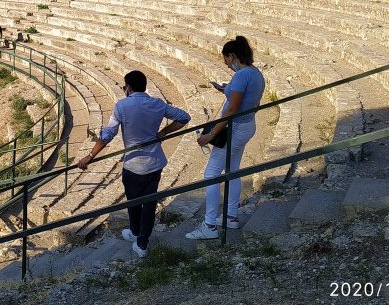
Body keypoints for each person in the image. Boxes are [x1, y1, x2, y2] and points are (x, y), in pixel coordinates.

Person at [77, 71, 191, 257]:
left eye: (124, 87)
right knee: (149, 201)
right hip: (155, 161)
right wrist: (163, 133)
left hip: (133, 164)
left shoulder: (121, 106)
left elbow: (108, 135)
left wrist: (89, 156)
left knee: (133, 200)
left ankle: (139, 238)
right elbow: (184, 117)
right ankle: (140, 239)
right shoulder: (157, 104)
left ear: (128, 88)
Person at [186, 36, 266, 240]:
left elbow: (232, 109)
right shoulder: (256, 73)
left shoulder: (241, 76)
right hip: (247, 125)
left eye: (226, 60)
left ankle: (210, 225)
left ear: (233, 56)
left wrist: (212, 134)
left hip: (235, 127)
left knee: (211, 174)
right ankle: (230, 216)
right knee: (232, 171)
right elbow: (243, 99)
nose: (227, 65)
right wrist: (226, 90)